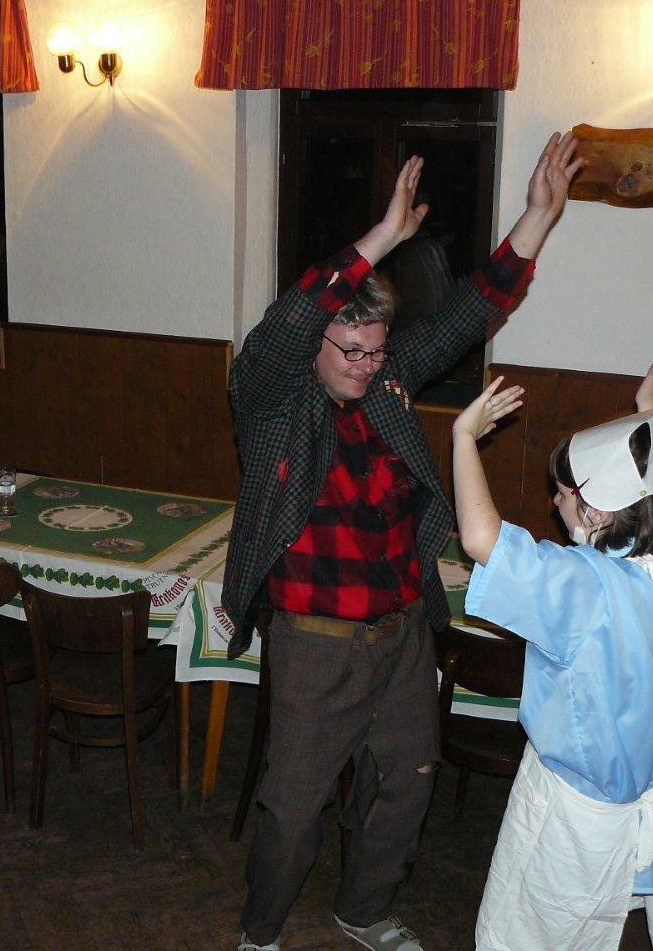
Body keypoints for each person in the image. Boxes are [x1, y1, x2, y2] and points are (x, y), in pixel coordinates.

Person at [226, 132, 583, 951]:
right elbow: (289, 322)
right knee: (294, 805)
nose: (366, 364)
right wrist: (385, 235)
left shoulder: (385, 382)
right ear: (317, 347)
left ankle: (363, 909)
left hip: (400, 634)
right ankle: (261, 933)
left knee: (408, 784)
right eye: (349, 350)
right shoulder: (273, 400)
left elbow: (468, 311)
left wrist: (536, 218)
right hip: (316, 642)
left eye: (377, 350)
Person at [452, 338, 653, 951]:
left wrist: (463, 439)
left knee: (531, 935)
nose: (554, 502)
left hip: (577, 811)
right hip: (643, 789)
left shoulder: (584, 586)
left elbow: (482, 540)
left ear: (593, 510)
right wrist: (650, 413)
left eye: (562, 494)